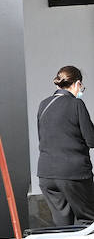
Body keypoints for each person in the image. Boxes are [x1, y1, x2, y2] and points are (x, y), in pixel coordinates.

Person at [36, 65, 94, 225]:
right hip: (73, 173)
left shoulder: (43, 105)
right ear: (77, 84)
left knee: (62, 223)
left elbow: (42, 137)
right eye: (81, 86)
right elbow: (91, 140)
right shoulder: (76, 104)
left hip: (46, 174)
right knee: (87, 221)